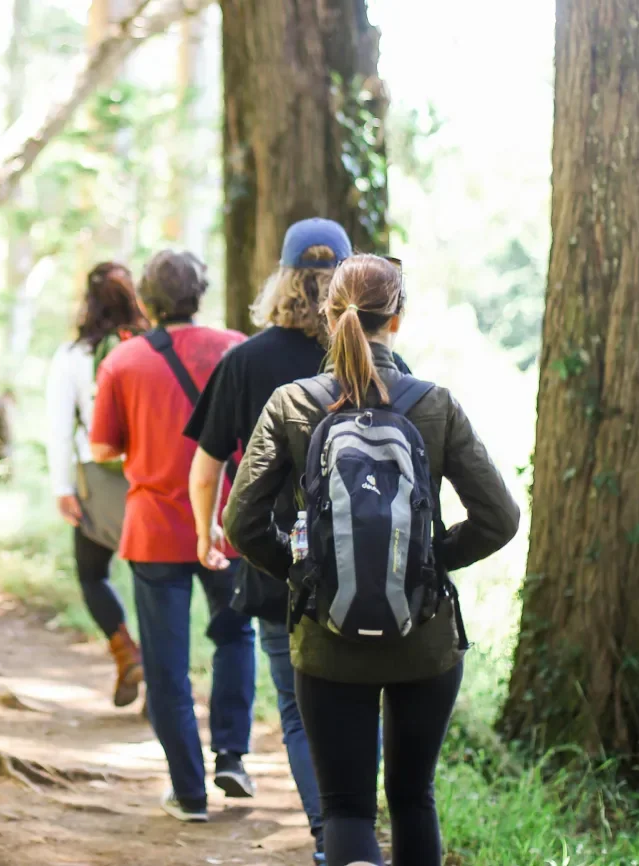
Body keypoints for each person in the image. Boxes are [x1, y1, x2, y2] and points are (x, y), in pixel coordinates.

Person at [224, 254, 520, 866]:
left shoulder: (291, 403)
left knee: (346, 810)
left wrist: (308, 575)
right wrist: (429, 562)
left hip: (327, 640)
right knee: (413, 798)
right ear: (397, 319)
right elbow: (500, 517)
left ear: (328, 317)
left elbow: (241, 522)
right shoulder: (436, 405)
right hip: (425, 638)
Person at [184, 219, 409, 863]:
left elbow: (207, 469)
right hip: (374, 563)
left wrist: (206, 533)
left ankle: (330, 834)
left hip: (281, 561)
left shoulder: (245, 361)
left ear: (282, 278)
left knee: (296, 704)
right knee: (365, 699)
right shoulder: (388, 364)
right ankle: (357, 826)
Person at [89, 249, 256, 824]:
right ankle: (232, 755)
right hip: (227, 522)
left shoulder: (123, 361)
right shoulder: (236, 349)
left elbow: (102, 447)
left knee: (166, 666)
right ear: (200, 294)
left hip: (156, 529)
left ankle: (189, 793)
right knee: (235, 635)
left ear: (147, 300)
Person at [45, 262, 148, 707]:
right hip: (151, 479)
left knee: (92, 574)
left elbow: (58, 428)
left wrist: (63, 488)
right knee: (153, 582)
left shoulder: (73, 356)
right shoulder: (152, 347)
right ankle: (161, 680)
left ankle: (126, 650)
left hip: (97, 481)